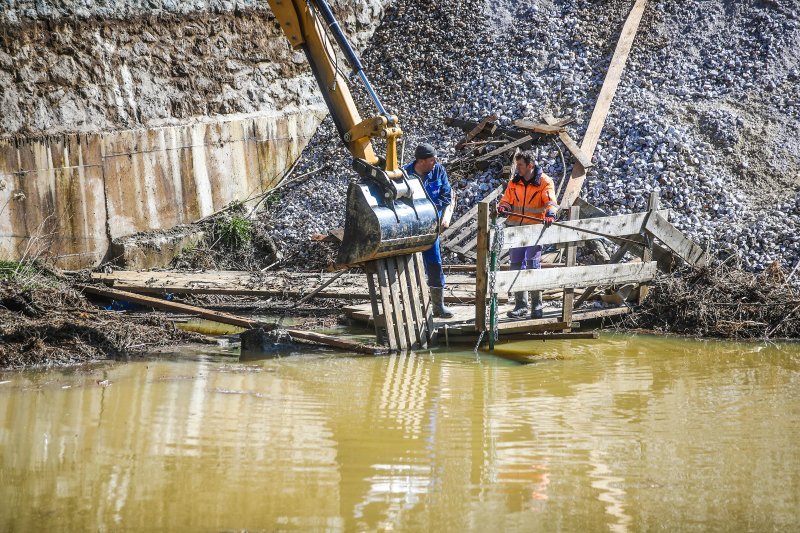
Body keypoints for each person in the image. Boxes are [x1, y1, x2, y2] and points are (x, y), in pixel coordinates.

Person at [497, 150, 558, 319]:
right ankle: (521, 305)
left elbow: (551, 202)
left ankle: (537, 305)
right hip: (515, 230)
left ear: (530, 166)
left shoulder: (545, 182)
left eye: (520, 165)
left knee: (533, 266)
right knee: (516, 265)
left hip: (534, 231)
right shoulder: (514, 182)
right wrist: (503, 208)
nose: (517, 169)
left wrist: (550, 214)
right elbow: (506, 200)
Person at [404, 143, 454, 318]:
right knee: (408, 265)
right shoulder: (404, 174)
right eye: (432, 160)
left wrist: (432, 212)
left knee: (434, 262)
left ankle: (438, 306)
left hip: (431, 227)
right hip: (410, 228)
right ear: (421, 161)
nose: (435, 162)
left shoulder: (438, 171)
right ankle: (412, 305)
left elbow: (446, 195)